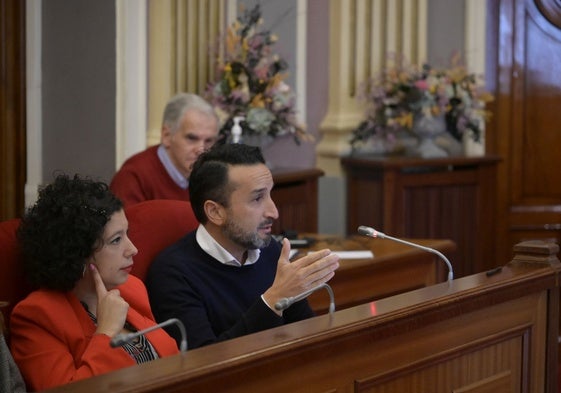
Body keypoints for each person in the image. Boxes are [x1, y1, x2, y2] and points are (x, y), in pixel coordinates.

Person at [146, 143, 340, 349]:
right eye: (257, 198)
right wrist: (274, 299)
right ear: (215, 212)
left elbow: (307, 333)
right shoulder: (172, 273)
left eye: (270, 194)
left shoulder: (271, 251)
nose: (274, 212)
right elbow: (203, 362)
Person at [9, 174, 178, 391]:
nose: (133, 249)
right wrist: (106, 332)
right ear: (77, 253)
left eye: (127, 234)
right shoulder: (37, 316)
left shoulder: (131, 288)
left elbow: (171, 362)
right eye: (116, 240)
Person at [110, 92, 220, 207]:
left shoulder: (214, 177)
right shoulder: (133, 177)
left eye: (209, 141)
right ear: (166, 135)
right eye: (191, 138)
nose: (201, 149)